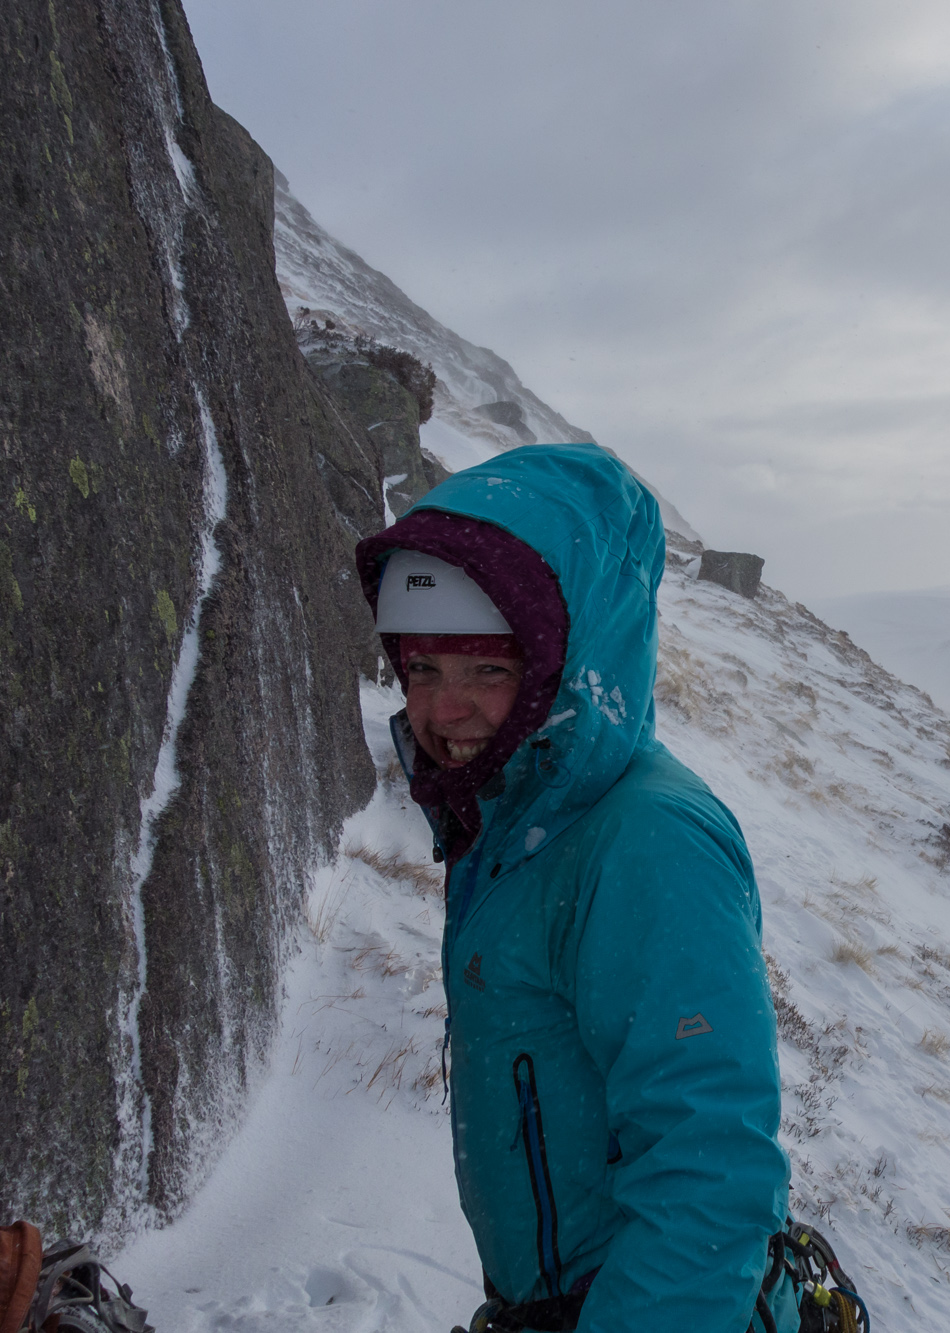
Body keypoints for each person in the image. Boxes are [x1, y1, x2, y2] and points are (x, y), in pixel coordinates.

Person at [354, 443, 797, 1333]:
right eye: (423, 669)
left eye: (487, 668)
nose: (443, 711)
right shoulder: (514, 810)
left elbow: (708, 1181)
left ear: (565, 661)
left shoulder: (643, 845)